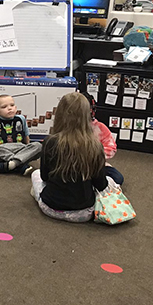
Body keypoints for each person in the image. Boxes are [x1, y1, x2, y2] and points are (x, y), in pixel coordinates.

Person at [30, 92, 111, 222]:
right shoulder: (95, 146)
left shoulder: (50, 142)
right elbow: (101, 185)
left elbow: (44, 176)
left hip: (50, 208)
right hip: (84, 213)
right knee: (111, 180)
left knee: (35, 173)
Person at [0, 94, 41, 175]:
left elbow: (26, 136)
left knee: (38, 146)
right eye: (4, 107)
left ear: (15, 107)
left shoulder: (21, 118)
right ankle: (18, 164)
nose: (9, 108)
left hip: (20, 147)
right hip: (2, 148)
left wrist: (28, 150)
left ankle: (8, 165)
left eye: (12, 105)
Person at [82, 91, 124, 185]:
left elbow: (111, 148)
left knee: (118, 178)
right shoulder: (69, 126)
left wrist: (94, 156)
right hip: (73, 164)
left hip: (95, 164)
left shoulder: (99, 127)